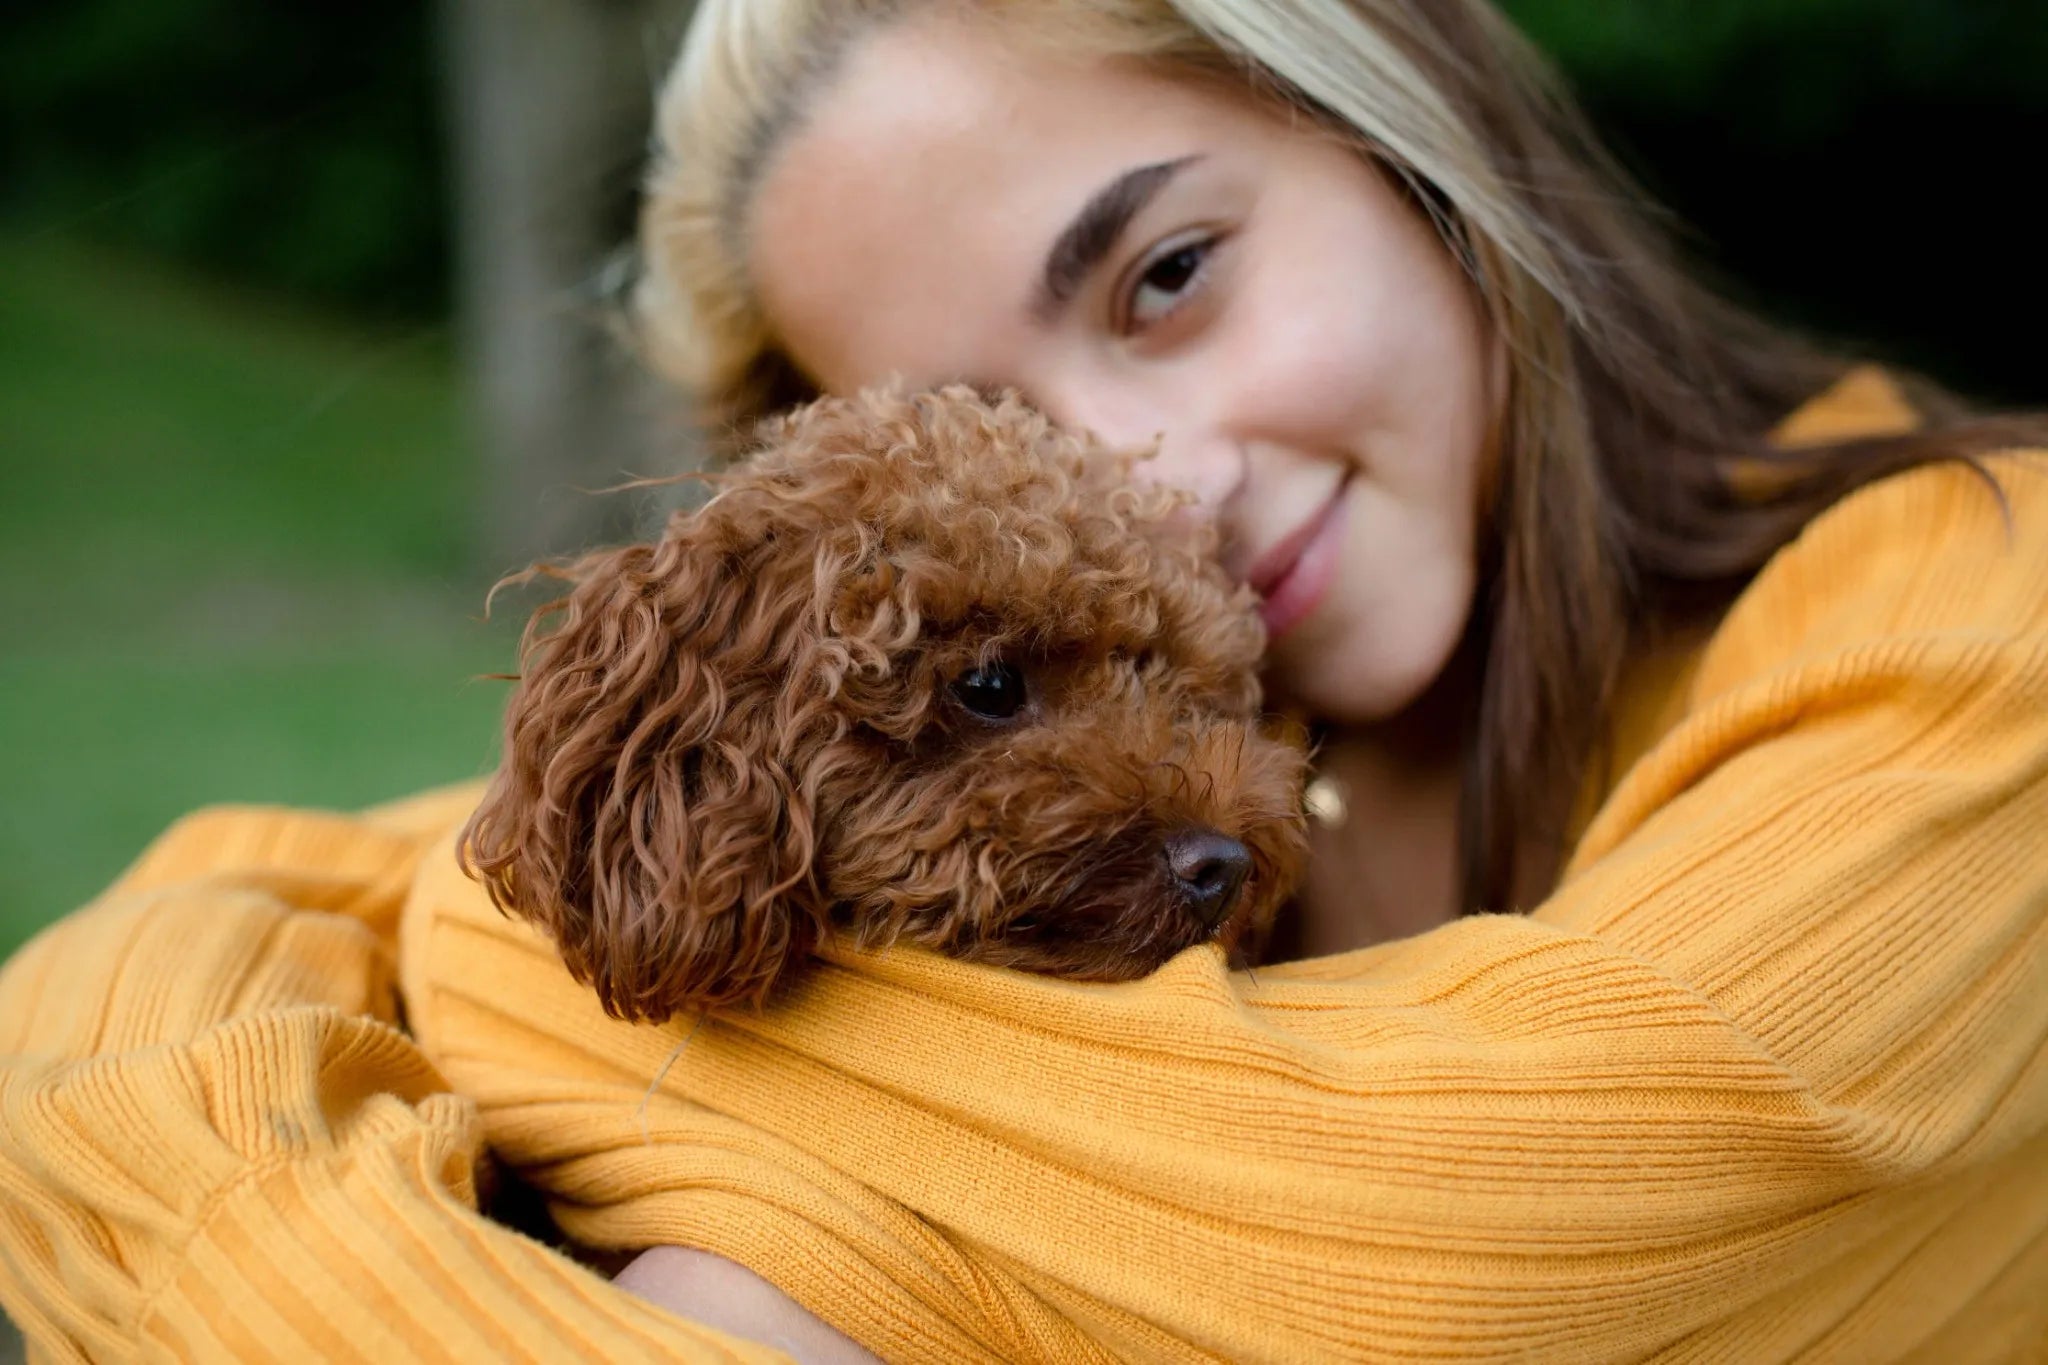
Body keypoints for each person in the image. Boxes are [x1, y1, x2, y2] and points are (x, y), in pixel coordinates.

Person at [2, 0, 2044, 1359]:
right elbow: (113, 992)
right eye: (995, 426)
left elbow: (1487, 1213)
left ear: (1407, 129)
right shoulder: (1237, 739)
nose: (1146, 488)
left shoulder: (1988, 614)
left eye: (1164, 273)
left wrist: (684, 1154)